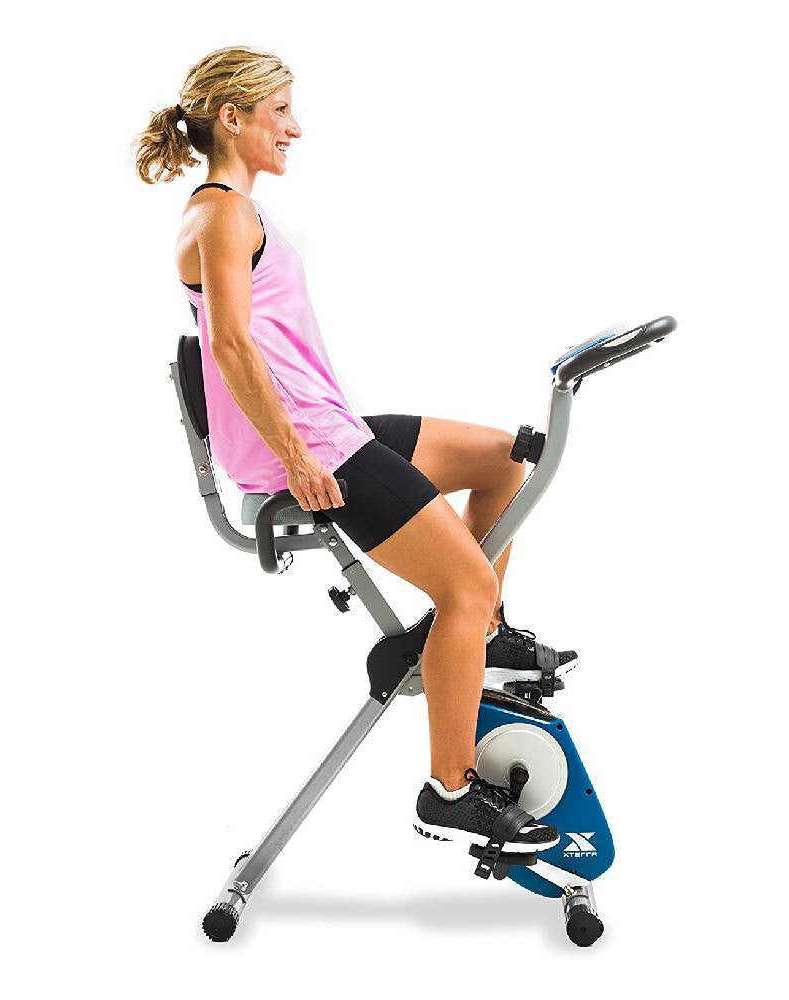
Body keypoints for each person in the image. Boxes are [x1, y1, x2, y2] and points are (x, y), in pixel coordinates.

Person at [136, 46, 572, 854]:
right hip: (309, 445)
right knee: (465, 584)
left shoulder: (235, 211)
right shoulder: (220, 214)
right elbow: (230, 346)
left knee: (504, 459)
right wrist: (298, 457)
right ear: (232, 117)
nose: (294, 128)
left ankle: (477, 633)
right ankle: (450, 790)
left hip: (330, 427)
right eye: (279, 112)